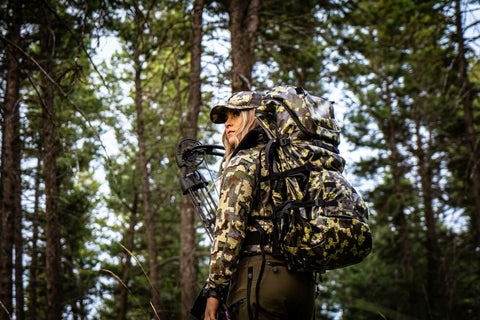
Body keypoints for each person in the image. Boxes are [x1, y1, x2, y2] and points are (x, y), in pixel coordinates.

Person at [203, 91, 316, 320]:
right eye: (226, 117)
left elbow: (229, 231)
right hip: (303, 286)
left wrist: (214, 292)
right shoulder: (292, 163)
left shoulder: (243, 161)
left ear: (254, 116)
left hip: (260, 278)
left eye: (235, 114)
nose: (227, 123)